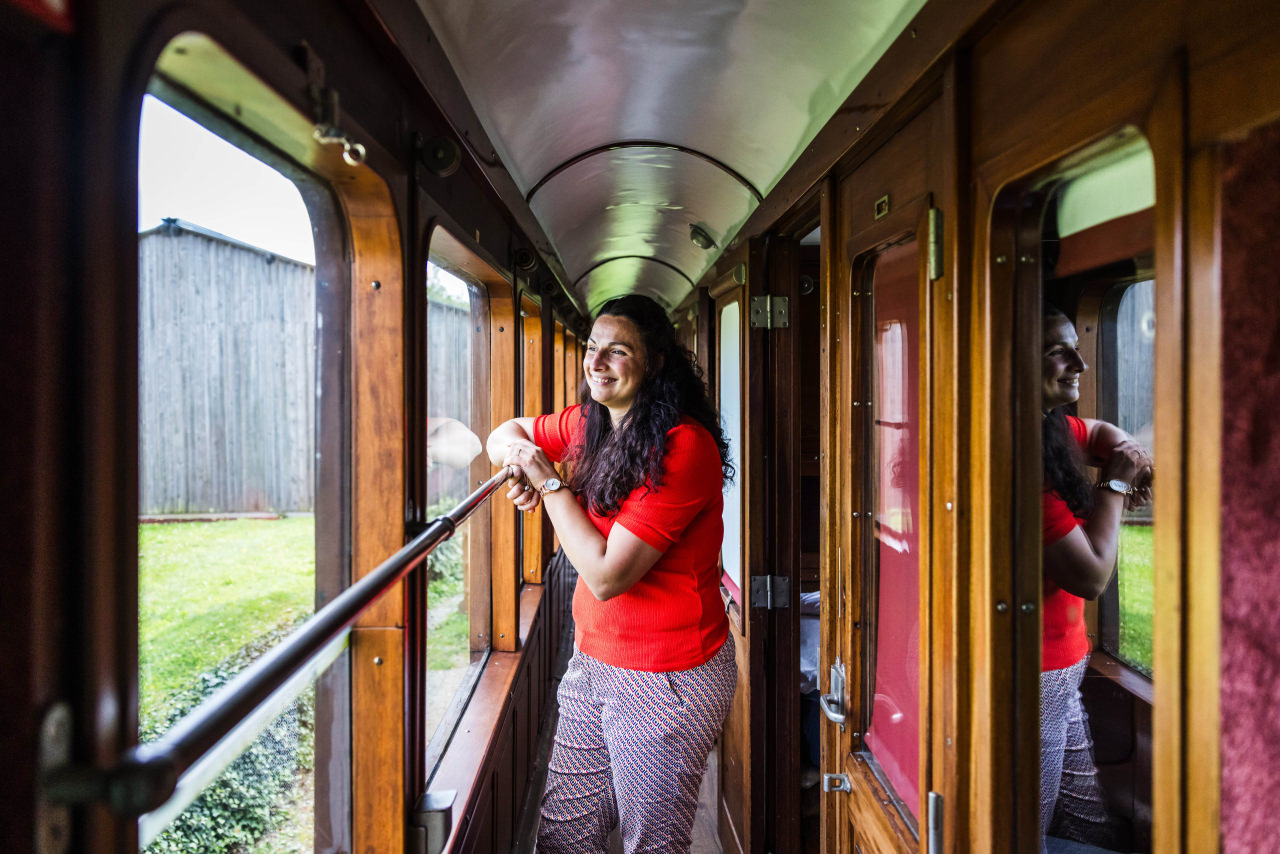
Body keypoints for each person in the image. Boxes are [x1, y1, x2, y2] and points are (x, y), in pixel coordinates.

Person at [485, 294, 736, 852]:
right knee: (563, 836)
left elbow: (604, 575)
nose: (596, 364)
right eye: (592, 348)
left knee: (652, 844)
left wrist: (547, 483)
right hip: (595, 657)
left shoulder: (683, 447)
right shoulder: (592, 421)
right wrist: (518, 466)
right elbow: (503, 432)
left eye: (616, 352)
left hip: (669, 678)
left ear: (656, 363)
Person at [1039, 304, 1153, 852]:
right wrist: (1118, 486)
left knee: (1087, 826)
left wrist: (1131, 458)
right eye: (1057, 351)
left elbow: (1103, 432)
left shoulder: (1049, 427)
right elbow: (1092, 576)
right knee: (1022, 831)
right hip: (1029, 677)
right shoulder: (1016, 459)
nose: (1079, 361)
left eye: (1076, 346)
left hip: (1062, 666)